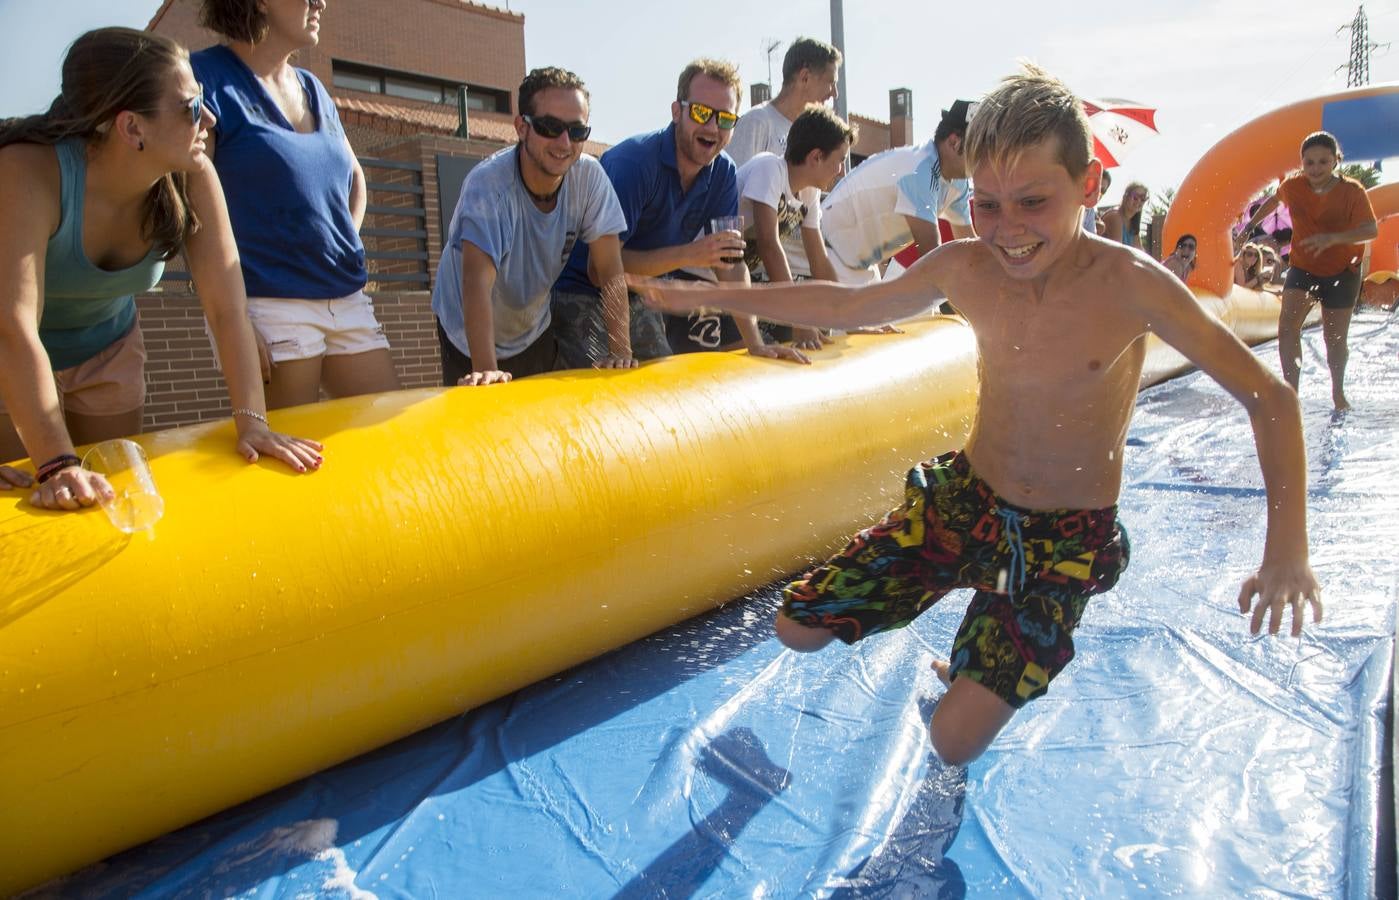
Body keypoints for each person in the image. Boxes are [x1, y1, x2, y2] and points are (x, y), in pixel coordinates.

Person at [632, 63, 1320, 767]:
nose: (1007, 230)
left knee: (951, 741)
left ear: (1086, 187)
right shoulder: (965, 267)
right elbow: (842, 306)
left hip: (1063, 541)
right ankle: (976, 622)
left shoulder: (1130, 285)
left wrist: (1285, 551)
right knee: (794, 628)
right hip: (966, 500)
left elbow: (1269, 397)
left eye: (1031, 202)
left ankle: (984, 654)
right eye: (985, 205)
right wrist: (717, 300)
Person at [0, 28, 322, 511]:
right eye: (191, 107)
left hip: (106, 345)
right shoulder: (27, 171)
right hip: (10, 355)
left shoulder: (192, 175)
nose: (210, 119)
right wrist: (55, 463)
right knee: (29, 504)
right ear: (132, 128)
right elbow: (12, 325)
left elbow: (227, 307)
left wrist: (254, 421)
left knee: (106, 495)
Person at [191, 0, 401, 409]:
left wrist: (340, 242)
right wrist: (231, 320)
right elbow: (194, 212)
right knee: (290, 453)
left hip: (345, 296)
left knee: (391, 425)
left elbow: (354, 176)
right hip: (266, 303)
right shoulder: (205, 79)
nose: (320, 2)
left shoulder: (313, 87)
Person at [551, 59, 804, 366]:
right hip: (582, 291)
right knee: (608, 386)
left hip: (639, 293)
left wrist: (756, 344)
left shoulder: (722, 172)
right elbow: (599, 270)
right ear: (676, 111)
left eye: (725, 119)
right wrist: (690, 255)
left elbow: (731, 265)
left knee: (661, 383)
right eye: (700, 112)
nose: (712, 127)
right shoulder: (633, 164)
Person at [431, 67, 630, 386]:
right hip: (467, 334)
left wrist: (621, 350)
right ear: (522, 127)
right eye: (550, 127)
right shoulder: (489, 187)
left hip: (533, 327)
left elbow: (609, 269)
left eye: (577, 131)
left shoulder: (589, 178)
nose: (565, 142)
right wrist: (486, 370)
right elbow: (476, 282)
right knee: (484, 426)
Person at [1236, 131, 1377, 410]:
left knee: (1334, 339)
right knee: (1287, 327)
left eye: (1323, 162)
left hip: (1343, 270)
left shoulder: (1352, 192)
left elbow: (1370, 230)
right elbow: (1273, 200)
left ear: (1336, 161)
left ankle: (1338, 391)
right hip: (1304, 267)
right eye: (1309, 163)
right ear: (1302, 163)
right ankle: (1291, 394)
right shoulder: (1294, 185)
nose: (1315, 169)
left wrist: (1332, 239)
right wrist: (1251, 227)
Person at [736, 106, 855, 349]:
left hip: (738, 278)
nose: (841, 171)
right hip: (707, 275)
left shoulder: (809, 192)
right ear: (816, 157)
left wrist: (854, 317)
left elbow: (819, 260)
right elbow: (770, 246)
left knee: (818, 313)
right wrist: (798, 319)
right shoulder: (769, 169)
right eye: (840, 160)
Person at [819, 101, 976, 285]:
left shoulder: (958, 182)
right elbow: (932, 256)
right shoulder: (920, 171)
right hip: (826, 251)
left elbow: (971, 250)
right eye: (981, 145)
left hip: (859, 263)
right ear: (954, 142)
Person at [725, 37, 841, 167]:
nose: (835, 93)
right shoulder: (756, 122)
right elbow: (733, 184)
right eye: (831, 83)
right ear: (805, 78)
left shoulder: (810, 136)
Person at [1101, 180, 1147, 249]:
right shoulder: (1115, 217)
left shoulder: (1133, 225)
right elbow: (1118, 251)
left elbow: (1140, 252)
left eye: (1143, 198)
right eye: (1135, 197)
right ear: (1125, 197)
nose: (1139, 201)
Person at [1084, 167, 1110, 234]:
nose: (1098, 192)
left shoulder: (1090, 210)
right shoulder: (1069, 201)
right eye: (1096, 185)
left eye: (1102, 190)